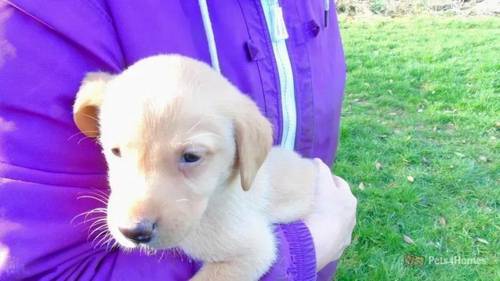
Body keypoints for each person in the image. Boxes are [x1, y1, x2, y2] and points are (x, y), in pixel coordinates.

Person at [0, 1, 357, 280]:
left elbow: (251, 252)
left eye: (189, 157)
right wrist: (313, 245)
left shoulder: (241, 137)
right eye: (118, 151)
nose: (134, 217)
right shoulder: (34, 16)